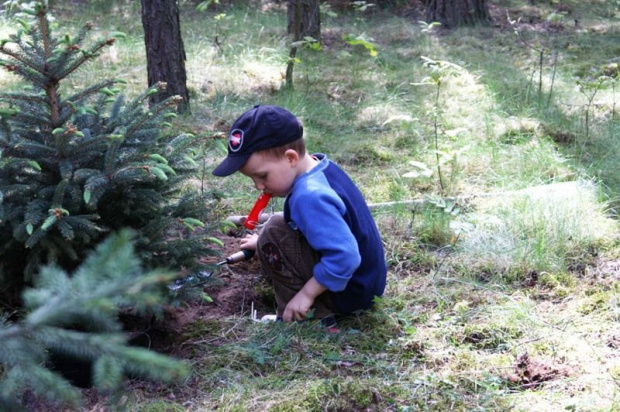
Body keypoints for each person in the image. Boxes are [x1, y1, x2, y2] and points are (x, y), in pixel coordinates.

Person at [212, 105, 387, 329]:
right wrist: (261, 239)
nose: (258, 186)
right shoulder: (321, 167)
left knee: (274, 230)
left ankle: (307, 317)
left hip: (349, 294)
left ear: (291, 158)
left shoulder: (309, 196)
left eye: (262, 176)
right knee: (272, 230)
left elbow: (346, 258)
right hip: (367, 283)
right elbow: (312, 222)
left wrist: (305, 294)